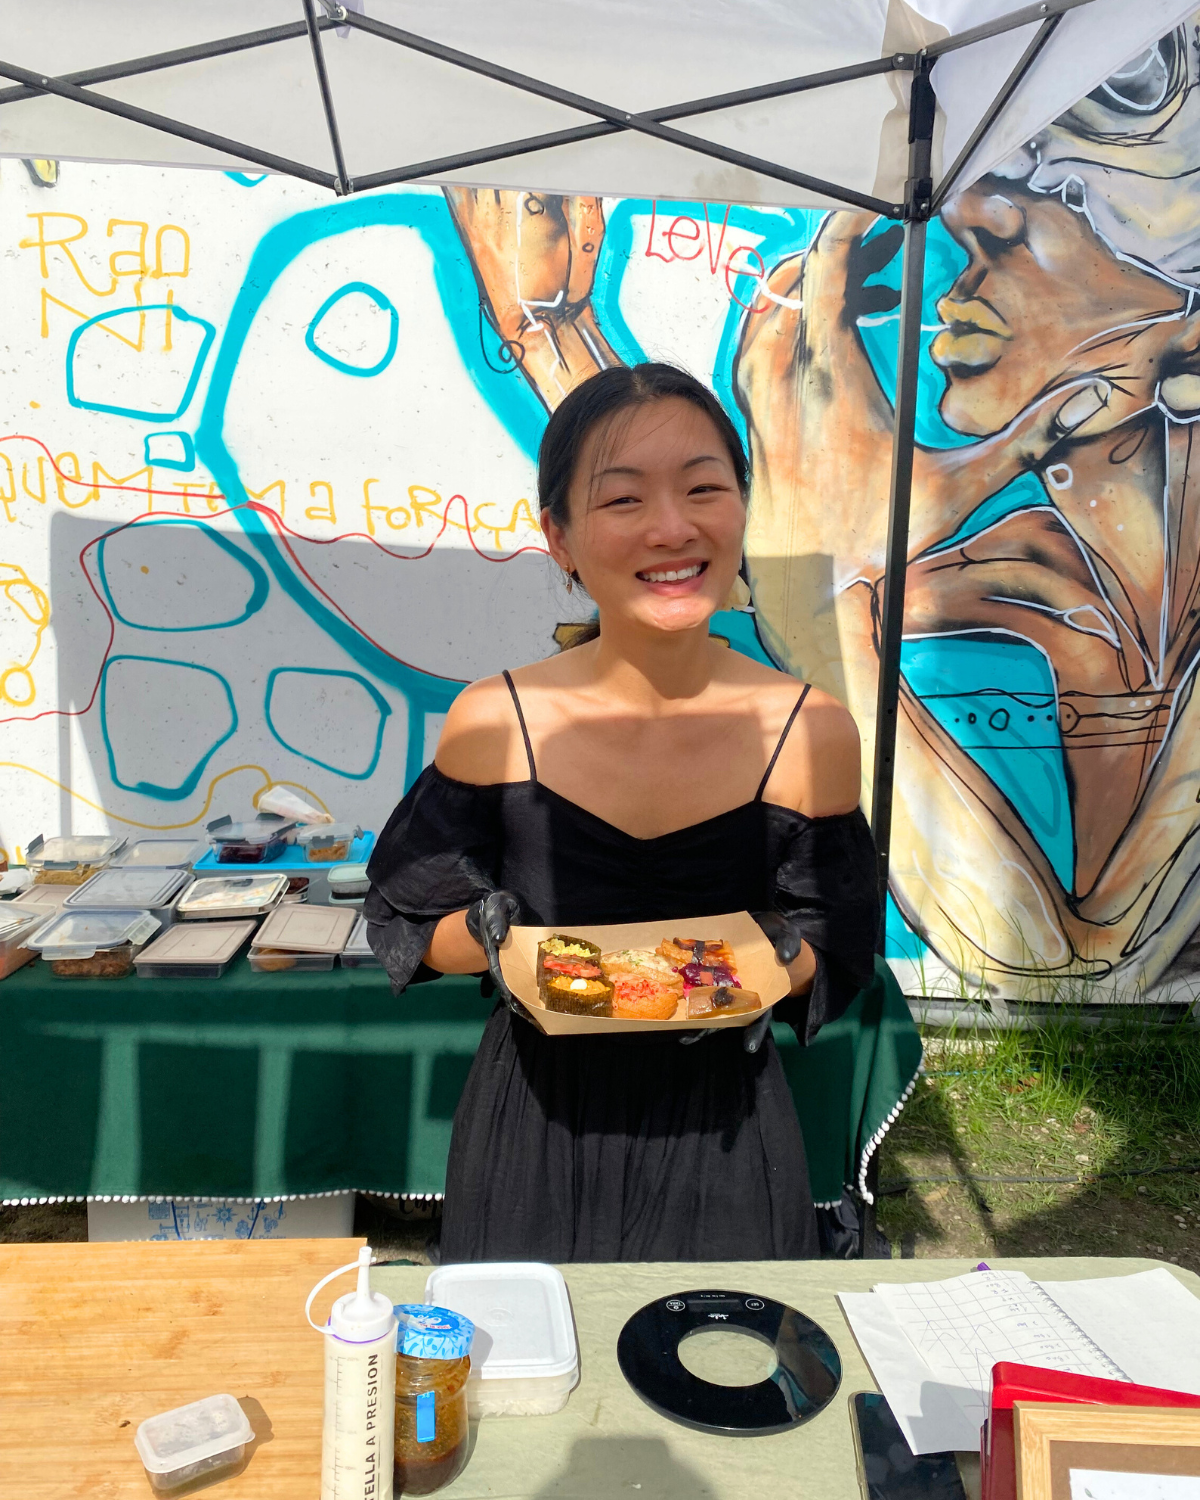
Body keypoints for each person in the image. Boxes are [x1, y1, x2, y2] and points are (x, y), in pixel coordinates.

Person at [364, 362, 879, 1262]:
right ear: (559, 537)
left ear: (742, 510)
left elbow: (837, 939)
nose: (672, 528)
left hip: (726, 1125)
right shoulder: (497, 719)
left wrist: (778, 956)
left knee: (729, 1376)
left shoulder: (811, 729)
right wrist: (490, 936)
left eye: (703, 489)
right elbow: (407, 917)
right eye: (623, 499)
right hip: (536, 1122)